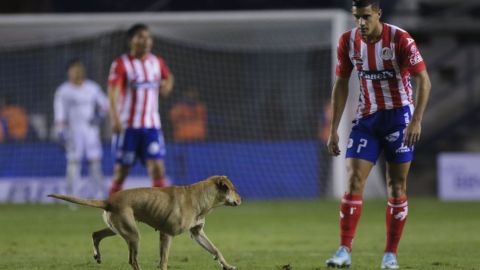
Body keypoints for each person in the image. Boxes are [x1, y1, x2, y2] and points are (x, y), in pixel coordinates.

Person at [325, 0, 431, 269]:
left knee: (396, 187)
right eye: (357, 17)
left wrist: (416, 120)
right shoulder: (347, 41)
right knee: (353, 180)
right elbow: (340, 84)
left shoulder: (399, 39)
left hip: (399, 121)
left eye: (366, 17)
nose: (361, 22)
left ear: (378, 14)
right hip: (367, 121)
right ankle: (344, 250)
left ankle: (390, 255)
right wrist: (334, 128)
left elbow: (424, 80)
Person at [107, 23, 175, 196]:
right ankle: (112, 208)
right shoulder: (121, 64)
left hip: (151, 126)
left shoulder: (156, 62)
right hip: (128, 126)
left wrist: (167, 85)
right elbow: (113, 93)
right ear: (131, 41)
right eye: (140, 37)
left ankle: (160, 211)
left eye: (148, 37)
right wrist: (114, 119)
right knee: (122, 171)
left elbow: (168, 77)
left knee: (158, 168)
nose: (145, 41)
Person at [53, 58, 108, 197]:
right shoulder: (63, 91)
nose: (78, 71)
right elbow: (59, 114)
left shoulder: (92, 87)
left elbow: (105, 104)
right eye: (74, 69)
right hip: (73, 131)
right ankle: (72, 197)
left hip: (91, 131)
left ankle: (100, 196)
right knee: (73, 163)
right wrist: (60, 132)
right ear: (69, 72)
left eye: (80, 68)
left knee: (95, 164)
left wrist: (100, 116)